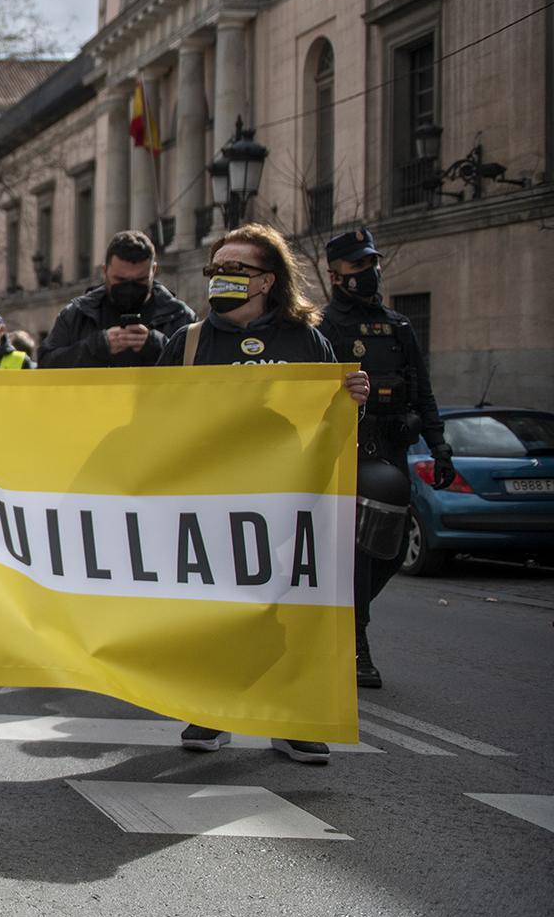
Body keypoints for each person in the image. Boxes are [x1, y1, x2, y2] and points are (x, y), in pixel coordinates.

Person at [161, 224, 369, 765]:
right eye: (216, 269)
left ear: (266, 280)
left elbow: (330, 421)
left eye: (236, 269)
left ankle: (291, 717)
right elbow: (148, 420)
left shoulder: (305, 340)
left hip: (288, 500)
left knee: (287, 606)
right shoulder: (187, 342)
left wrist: (353, 398)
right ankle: (210, 709)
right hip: (208, 498)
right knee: (213, 606)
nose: (221, 278)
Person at [316, 227, 447, 689]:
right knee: (358, 554)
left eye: (372, 263)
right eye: (358, 267)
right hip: (351, 451)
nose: (368, 273)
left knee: (388, 553)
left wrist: (439, 446)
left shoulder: (399, 325)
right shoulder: (323, 328)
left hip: (394, 451)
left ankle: (342, 617)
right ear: (336, 276)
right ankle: (355, 643)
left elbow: (424, 392)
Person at [39, 230, 195, 368]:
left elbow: (200, 368)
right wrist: (97, 346)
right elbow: (46, 364)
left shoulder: (180, 316)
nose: (129, 288)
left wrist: (156, 346)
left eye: (139, 280)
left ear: (153, 270)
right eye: (120, 280)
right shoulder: (77, 315)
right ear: (105, 271)